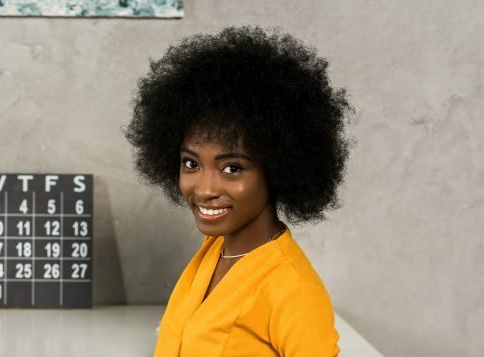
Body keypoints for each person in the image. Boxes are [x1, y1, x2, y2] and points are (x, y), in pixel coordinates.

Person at [125, 26, 352, 356]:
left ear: (278, 168)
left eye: (232, 168)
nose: (204, 189)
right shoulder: (214, 250)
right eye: (191, 164)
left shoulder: (291, 287)